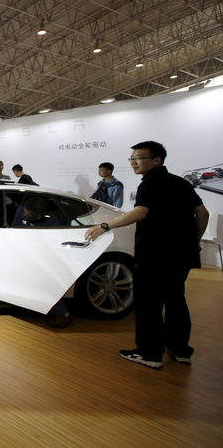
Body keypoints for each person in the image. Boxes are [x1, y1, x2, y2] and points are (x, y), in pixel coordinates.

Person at [85, 141, 209, 369]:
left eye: (138, 158)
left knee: (149, 304)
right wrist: (195, 241)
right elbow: (202, 213)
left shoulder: (151, 183)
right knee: (176, 300)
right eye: (131, 158)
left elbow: (141, 212)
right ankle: (180, 350)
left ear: (156, 160)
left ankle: (149, 353)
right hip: (181, 254)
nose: (133, 162)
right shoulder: (181, 183)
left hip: (156, 253)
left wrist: (105, 226)